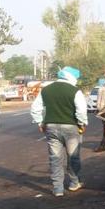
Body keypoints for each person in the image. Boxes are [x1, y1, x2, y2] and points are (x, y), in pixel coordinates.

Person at [30, 66, 88, 197]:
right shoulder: (75, 91)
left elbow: (35, 108)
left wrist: (40, 122)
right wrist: (82, 123)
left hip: (51, 127)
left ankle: (57, 189)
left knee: (55, 158)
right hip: (71, 128)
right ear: (72, 77)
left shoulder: (46, 90)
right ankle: (74, 183)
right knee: (73, 156)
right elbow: (81, 110)